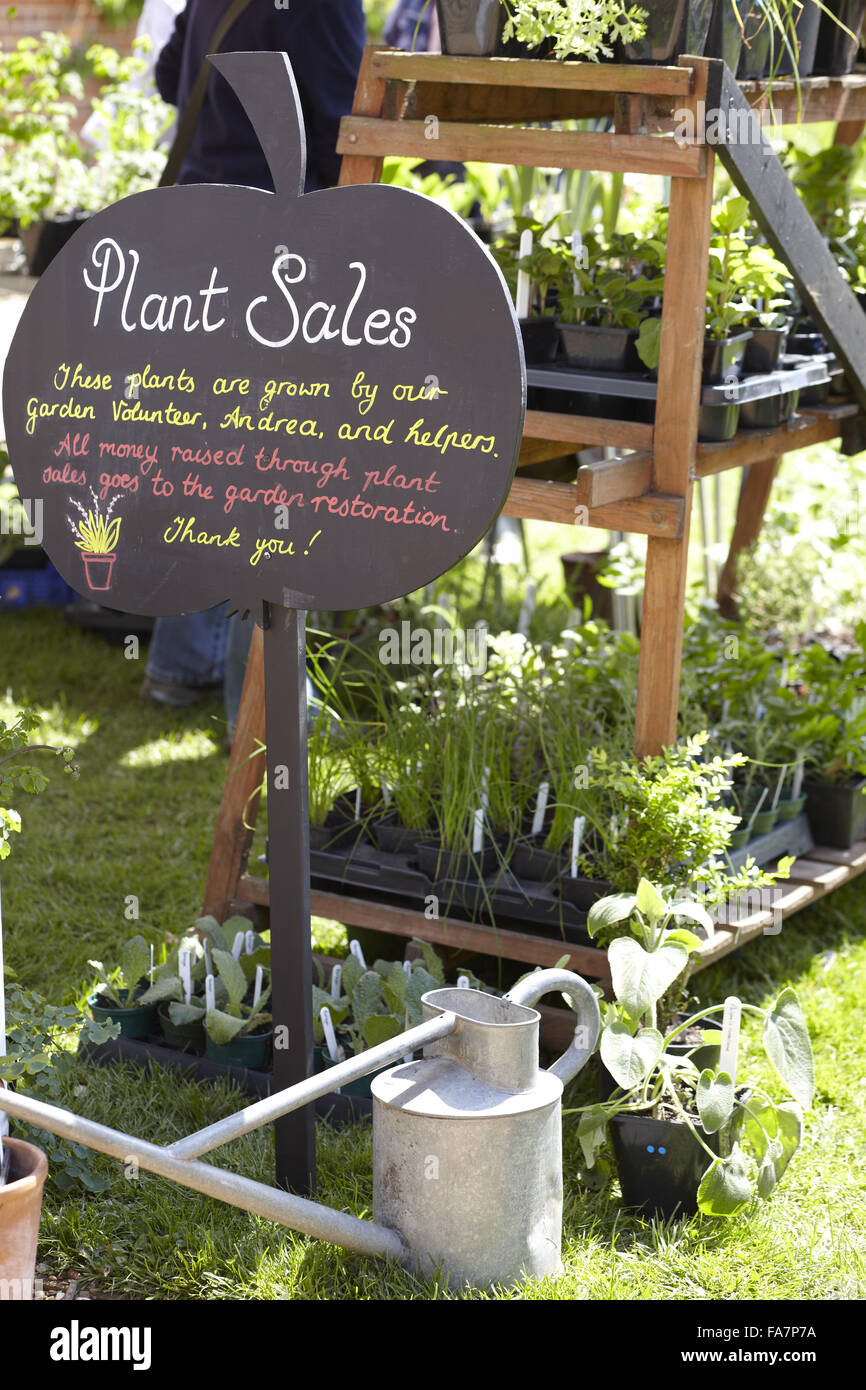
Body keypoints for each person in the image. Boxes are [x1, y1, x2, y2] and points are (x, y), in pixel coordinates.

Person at [140, 0, 366, 727]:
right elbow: (338, 125)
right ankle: (260, 704)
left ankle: (182, 662)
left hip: (195, 234)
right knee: (272, 471)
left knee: (207, 458)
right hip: (277, 254)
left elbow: (172, 78)